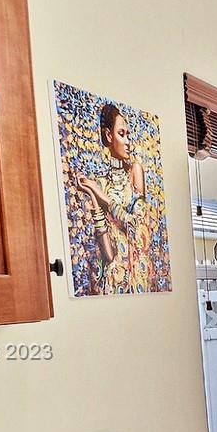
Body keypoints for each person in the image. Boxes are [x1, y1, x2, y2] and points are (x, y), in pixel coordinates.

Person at [70, 103, 151, 293]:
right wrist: (92, 195)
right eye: (122, 134)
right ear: (108, 136)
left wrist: (100, 196)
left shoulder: (134, 172)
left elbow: (137, 229)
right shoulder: (100, 184)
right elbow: (108, 255)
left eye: (128, 134)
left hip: (136, 278)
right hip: (114, 281)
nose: (128, 141)